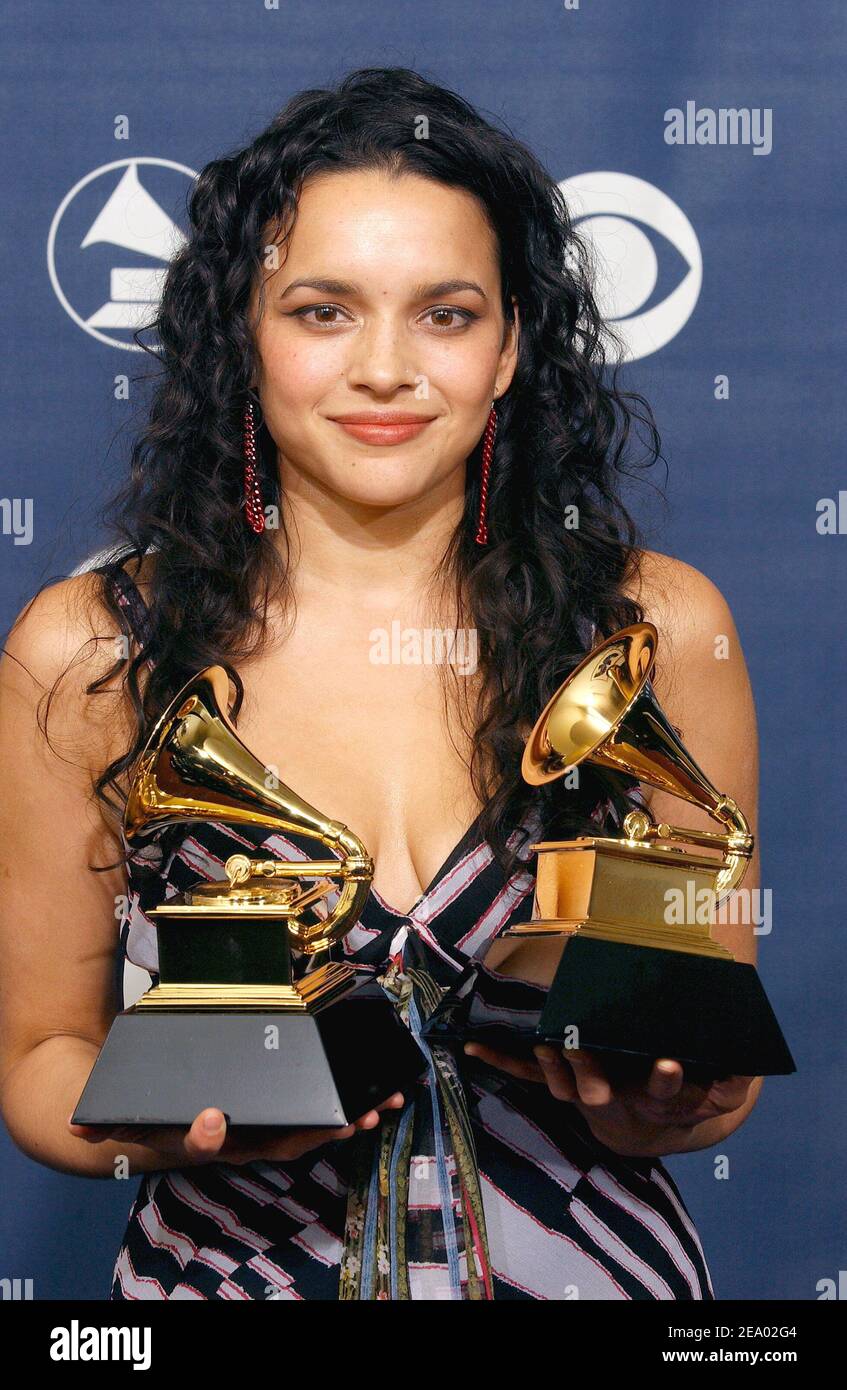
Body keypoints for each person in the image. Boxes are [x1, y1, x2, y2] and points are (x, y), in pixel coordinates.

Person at [0, 66, 762, 1301]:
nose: (386, 369)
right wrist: (154, 1127)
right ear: (243, 336)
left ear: (511, 345)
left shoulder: (659, 630)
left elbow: (703, 1045)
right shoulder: (93, 649)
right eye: (322, 311)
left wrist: (662, 1102)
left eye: (446, 315)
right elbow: (40, 1052)